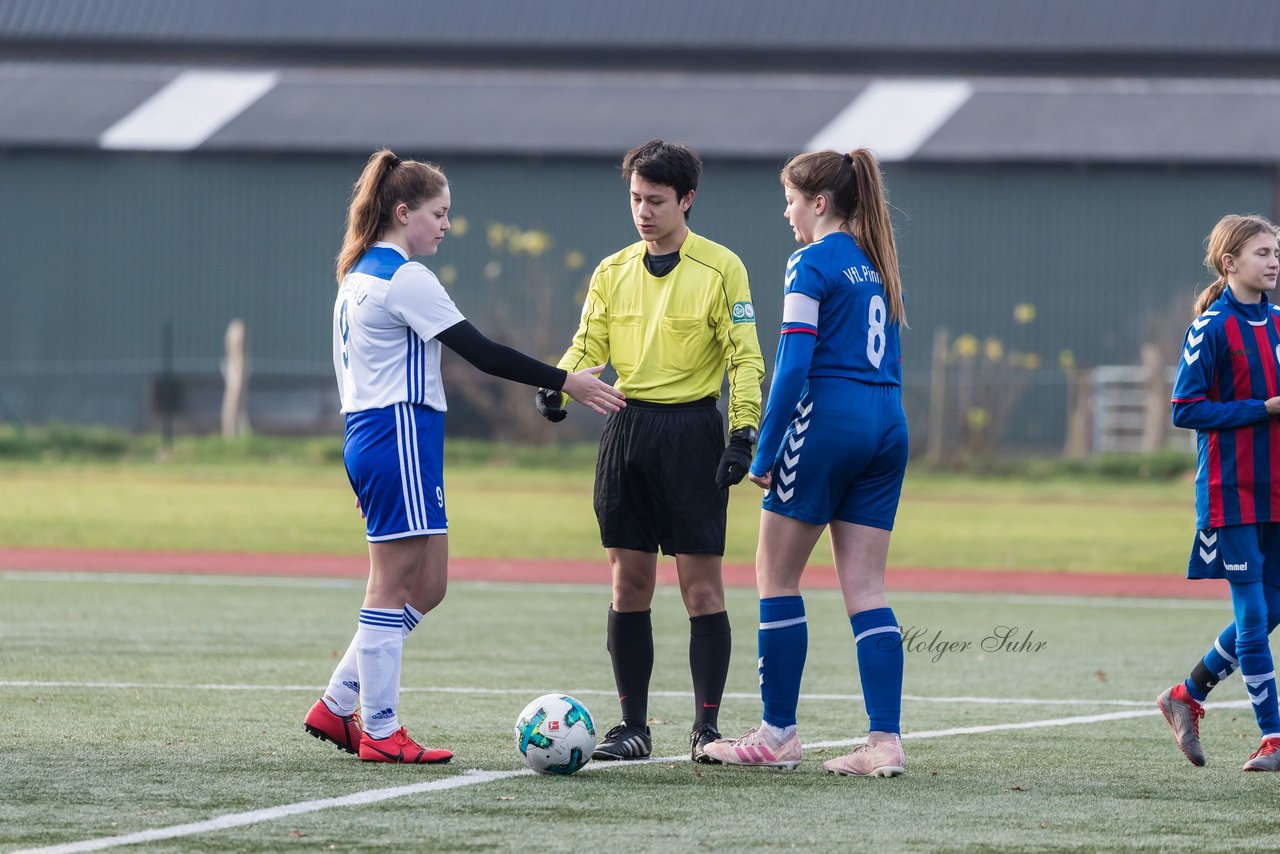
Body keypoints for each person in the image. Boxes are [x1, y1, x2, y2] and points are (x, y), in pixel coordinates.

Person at [304, 149, 625, 763]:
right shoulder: (404, 278)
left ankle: (339, 704)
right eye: (438, 213)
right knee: (391, 584)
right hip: (394, 433)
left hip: (390, 437)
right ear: (403, 212)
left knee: (429, 584)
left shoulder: (362, 275)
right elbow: (481, 352)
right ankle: (380, 729)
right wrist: (567, 380)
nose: (445, 225)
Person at [536, 140, 765, 762]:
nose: (643, 210)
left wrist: (744, 431)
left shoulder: (723, 269)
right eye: (636, 198)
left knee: (701, 588)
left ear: (686, 200)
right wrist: (558, 382)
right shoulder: (611, 270)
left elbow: (744, 355)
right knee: (628, 581)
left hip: (693, 435)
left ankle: (707, 730)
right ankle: (632, 728)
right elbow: (590, 344)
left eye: (656, 200)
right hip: (626, 431)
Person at [702, 148, 909, 777]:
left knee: (775, 574)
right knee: (867, 588)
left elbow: (794, 363)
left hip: (828, 423)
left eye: (791, 199)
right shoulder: (879, 264)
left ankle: (777, 734)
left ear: (819, 203)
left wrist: (765, 447)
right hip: (888, 423)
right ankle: (885, 742)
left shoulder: (811, 260)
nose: (786, 211)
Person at [1156, 213, 1280, 772]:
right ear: (1230, 263)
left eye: (1276, 252)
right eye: (1262, 252)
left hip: (1278, 487)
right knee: (1253, 616)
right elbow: (1185, 408)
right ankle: (1275, 738)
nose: (1273, 261)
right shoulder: (1210, 327)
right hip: (1232, 492)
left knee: (1272, 607)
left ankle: (1188, 693)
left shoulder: (1279, 323)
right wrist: (1260, 410)